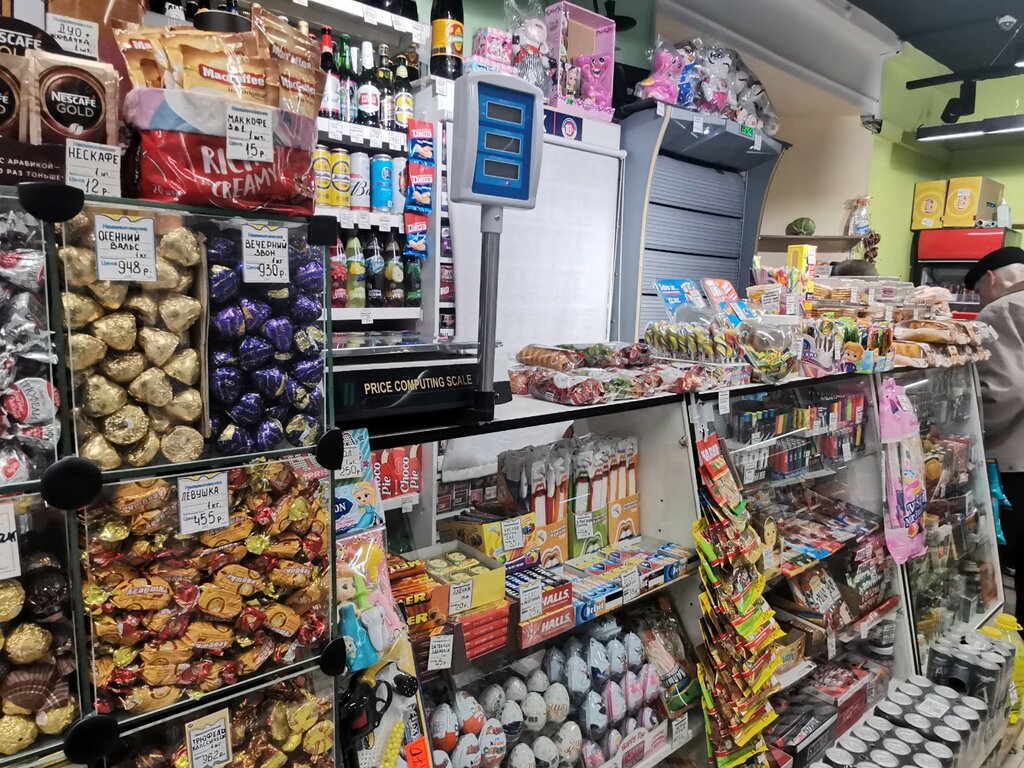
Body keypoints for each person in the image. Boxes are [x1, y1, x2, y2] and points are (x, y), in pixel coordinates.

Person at [966, 245, 1024, 624]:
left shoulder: (1001, 310)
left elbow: (1005, 392)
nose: (980, 300)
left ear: (990, 278)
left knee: (994, 558)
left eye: (977, 292)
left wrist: (965, 428)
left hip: (1012, 467)